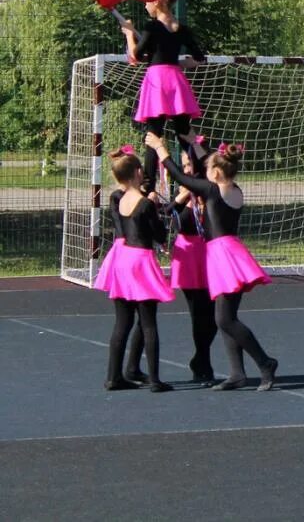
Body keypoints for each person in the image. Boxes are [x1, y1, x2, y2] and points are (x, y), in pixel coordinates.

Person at [148, 133, 278, 391]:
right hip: (229, 254)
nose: (203, 170)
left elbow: (178, 175)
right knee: (225, 317)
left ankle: (265, 362)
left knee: (225, 320)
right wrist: (192, 144)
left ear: (216, 172)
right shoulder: (234, 190)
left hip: (223, 257)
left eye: (208, 168)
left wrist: (161, 149)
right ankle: (237, 373)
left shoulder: (210, 190)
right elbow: (209, 162)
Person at [94, 147, 174, 392]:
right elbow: (159, 235)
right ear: (138, 172)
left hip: (122, 259)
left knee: (122, 322)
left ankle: (113, 376)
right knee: (148, 323)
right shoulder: (144, 203)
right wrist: (158, 211)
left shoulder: (118, 199)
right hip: (140, 261)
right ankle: (155, 379)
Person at [118, 0, 206, 193]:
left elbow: (135, 56)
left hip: (157, 83)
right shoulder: (182, 29)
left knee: (154, 134)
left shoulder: (152, 27)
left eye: (148, 1)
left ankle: (148, 185)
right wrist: (174, 63)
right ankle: (200, 172)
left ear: (158, 1)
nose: (145, 4)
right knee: (184, 132)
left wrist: (129, 33)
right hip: (175, 81)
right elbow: (199, 58)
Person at [169, 140, 219, 384]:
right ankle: (204, 364)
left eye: (191, 164)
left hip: (209, 254)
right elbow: (166, 215)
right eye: (184, 165)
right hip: (188, 256)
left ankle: (200, 358)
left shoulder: (210, 190)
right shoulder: (181, 192)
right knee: (197, 313)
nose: (187, 170)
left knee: (212, 317)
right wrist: (179, 200)